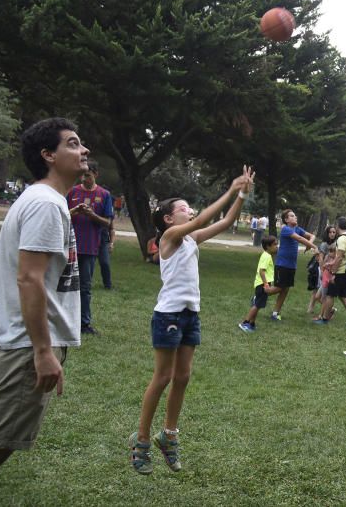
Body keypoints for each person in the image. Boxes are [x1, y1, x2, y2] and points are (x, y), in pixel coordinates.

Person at [0, 118, 86, 506]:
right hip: (25, 349)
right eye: (73, 144)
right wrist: (43, 351)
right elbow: (29, 279)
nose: (84, 150)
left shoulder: (45, 200)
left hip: (18, 344)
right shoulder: (44, 203)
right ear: (48, 156)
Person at [129, 166, 253, 475]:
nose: (190, 211)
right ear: (169, 219)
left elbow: (224, 221)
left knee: (182, 377)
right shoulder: (169, 237)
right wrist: (229, 187)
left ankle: (168, 436)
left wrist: (241, 194)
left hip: (189, 315)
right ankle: (141, 440)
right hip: (168, 314)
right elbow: (202, 220)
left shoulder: (191, 240)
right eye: (183, 208)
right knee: (163, 377)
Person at [66, 160, 115, 333]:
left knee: (85, 287)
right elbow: (61, 215)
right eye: (82, 175)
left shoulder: (104, 194)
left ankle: (83, 323)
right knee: (63, 283)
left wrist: (92, 214)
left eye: (87, 175)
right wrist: (74, 211)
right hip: (68, 245)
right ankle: (62, 319)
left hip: (89, 246)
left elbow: (107, 222)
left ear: (95, 174)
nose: (84, 178)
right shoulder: (72, 191)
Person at [270, 209, 317, 321]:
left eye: (295, 215)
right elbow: (300, 238)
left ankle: (275, 313)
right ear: (286, 219)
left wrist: (310, 244)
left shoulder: (297, 229)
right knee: (278, 288)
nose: (295, 217)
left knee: (285, 289)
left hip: (291, 265)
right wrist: (314, 247)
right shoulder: (285, 229)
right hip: (282, 264)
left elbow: (312, 236)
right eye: (292, 216)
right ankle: (259, 295)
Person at [315, 216, 346, 327]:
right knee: (344, 296)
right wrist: (331, 263)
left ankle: (324, 319)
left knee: (330, 295)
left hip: (340, 273)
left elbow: (339, 257)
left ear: (337, 225)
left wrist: (333, 273)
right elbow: (343, 257)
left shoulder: (341, 239)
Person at [239, 235, 279, 332]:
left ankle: (252, 323)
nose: (277, 246)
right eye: (275, 244)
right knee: (257, 305)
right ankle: (245, 322)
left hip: (261, 283)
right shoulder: (267, 256)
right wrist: (266, 284)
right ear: (268, 246)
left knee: (258, 304)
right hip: (262, 284)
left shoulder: (266, 255)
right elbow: (262, 271)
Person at [310, 226, 337, 319]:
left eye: (334, 232)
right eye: (330, 232)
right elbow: (321, 259)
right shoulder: (324, 244)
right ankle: (330, 309)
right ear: (327, 233)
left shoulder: (337, 244)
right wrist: (321, 271)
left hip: (330, 274)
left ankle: (323, 314)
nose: (332, 234)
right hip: (324, 272)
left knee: (324, 297)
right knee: (317, 297)